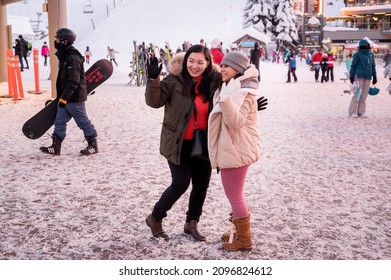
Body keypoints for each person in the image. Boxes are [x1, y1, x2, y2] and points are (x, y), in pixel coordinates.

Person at [144, 45, 222, 241]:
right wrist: (153, 79)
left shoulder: (214, 81)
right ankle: (155, 217)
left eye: (200, 62)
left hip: (204, 142)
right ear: (185, 60)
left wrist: (250, 104)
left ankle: (191, 223)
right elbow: (154, 102)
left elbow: (233, 96)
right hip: (177, 143)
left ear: (208, 63)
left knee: (201, 184)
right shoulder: (174, 80)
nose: (194, 66)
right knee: (180, 183)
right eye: (191, 61)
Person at [208, 51, 261, 251]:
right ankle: (238, 230)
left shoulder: (243, 93)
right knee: (235, 195)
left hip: (237, 150)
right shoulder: (231, 88)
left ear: (237, 70)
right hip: (232, 148)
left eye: (226, 66)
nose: (221, 69)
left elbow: (236, 122)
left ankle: (244, 239)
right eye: (221, 66)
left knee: (235, 196)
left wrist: (226, 99)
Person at [40, 28, 98, 156]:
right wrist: (61, 98)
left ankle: (93, 145)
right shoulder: (65, 56)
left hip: (74, 98)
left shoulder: (73, 57)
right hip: (65, 98)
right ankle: (56, 147)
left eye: (57, 39)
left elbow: (73, 81)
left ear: (65, 41)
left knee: (82, 121)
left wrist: (64, 98)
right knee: (59, 121)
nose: (55, 42)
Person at [349, 39, 377, 118]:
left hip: (368, 76)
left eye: (367, 45)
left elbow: (373, 66)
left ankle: (361, 112)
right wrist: (351, 76)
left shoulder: (371, 55)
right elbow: (353, 66)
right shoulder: (357, 55)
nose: (366, 47)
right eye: (364, 45)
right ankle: (352, 112)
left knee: (364, 95)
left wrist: (375, 76)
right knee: (357, 94)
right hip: (359, 76)